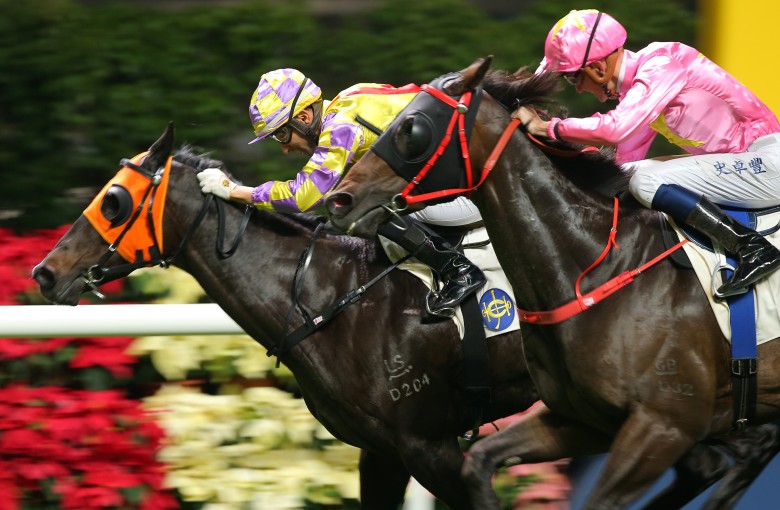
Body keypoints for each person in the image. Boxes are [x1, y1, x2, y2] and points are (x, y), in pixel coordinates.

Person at [515, 8, 780, 299]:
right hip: (739, 165)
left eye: (573, 79)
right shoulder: (640, 90)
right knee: (631, 178)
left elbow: (615, 130)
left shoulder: (661, 63)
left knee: (647, 182)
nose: (577, 89)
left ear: (598, 68)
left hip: (765, 161)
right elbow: (622, 166)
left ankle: (750, 246)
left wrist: (548, 128)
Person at [197, 68, 485, 316]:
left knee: (359, 209)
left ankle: (458, 270)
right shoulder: (351, 96)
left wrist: (235, 191)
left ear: (305, 117)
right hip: (461, 178)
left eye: (282, 134)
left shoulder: (340, 128)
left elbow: (303, 197)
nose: (284, 148)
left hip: (471, 195)